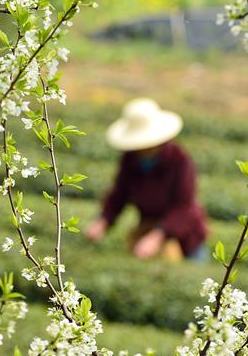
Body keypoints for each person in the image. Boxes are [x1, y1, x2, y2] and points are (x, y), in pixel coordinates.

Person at [85, 98, 208, 261]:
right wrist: (104, 220)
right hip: (148, 227)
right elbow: (119, 194)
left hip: (185, 236)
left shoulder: (180, 161)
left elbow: (184, 207)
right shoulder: (130, 159)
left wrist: (158, 235)